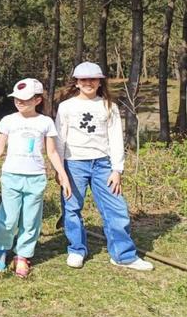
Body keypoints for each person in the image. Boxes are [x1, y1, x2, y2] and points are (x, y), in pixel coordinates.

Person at [55, 62, 153, 271]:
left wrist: (117, 169)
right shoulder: (66, 107)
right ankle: (77, 249)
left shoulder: (109, 106)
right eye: (83, 80)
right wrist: (60, 170)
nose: (88, 83)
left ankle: (123, 255)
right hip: (73, 165)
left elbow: (116, 138)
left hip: (103, 165)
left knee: (116, 208)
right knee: (72, 207)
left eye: (93, 79)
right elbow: (59, 140)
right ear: (77, 83)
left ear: (100, 82)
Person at [0, 78, 71, 278]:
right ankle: (1, 249)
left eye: (25, 99)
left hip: (36, 178)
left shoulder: (45, 122)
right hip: (11, 176)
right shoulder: (9, 120)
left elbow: (52, 153)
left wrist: (62, 174)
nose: (19, 102)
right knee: (8, 218)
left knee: (31, 220)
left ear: (37, 100)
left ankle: (23, 255)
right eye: (17, 98)